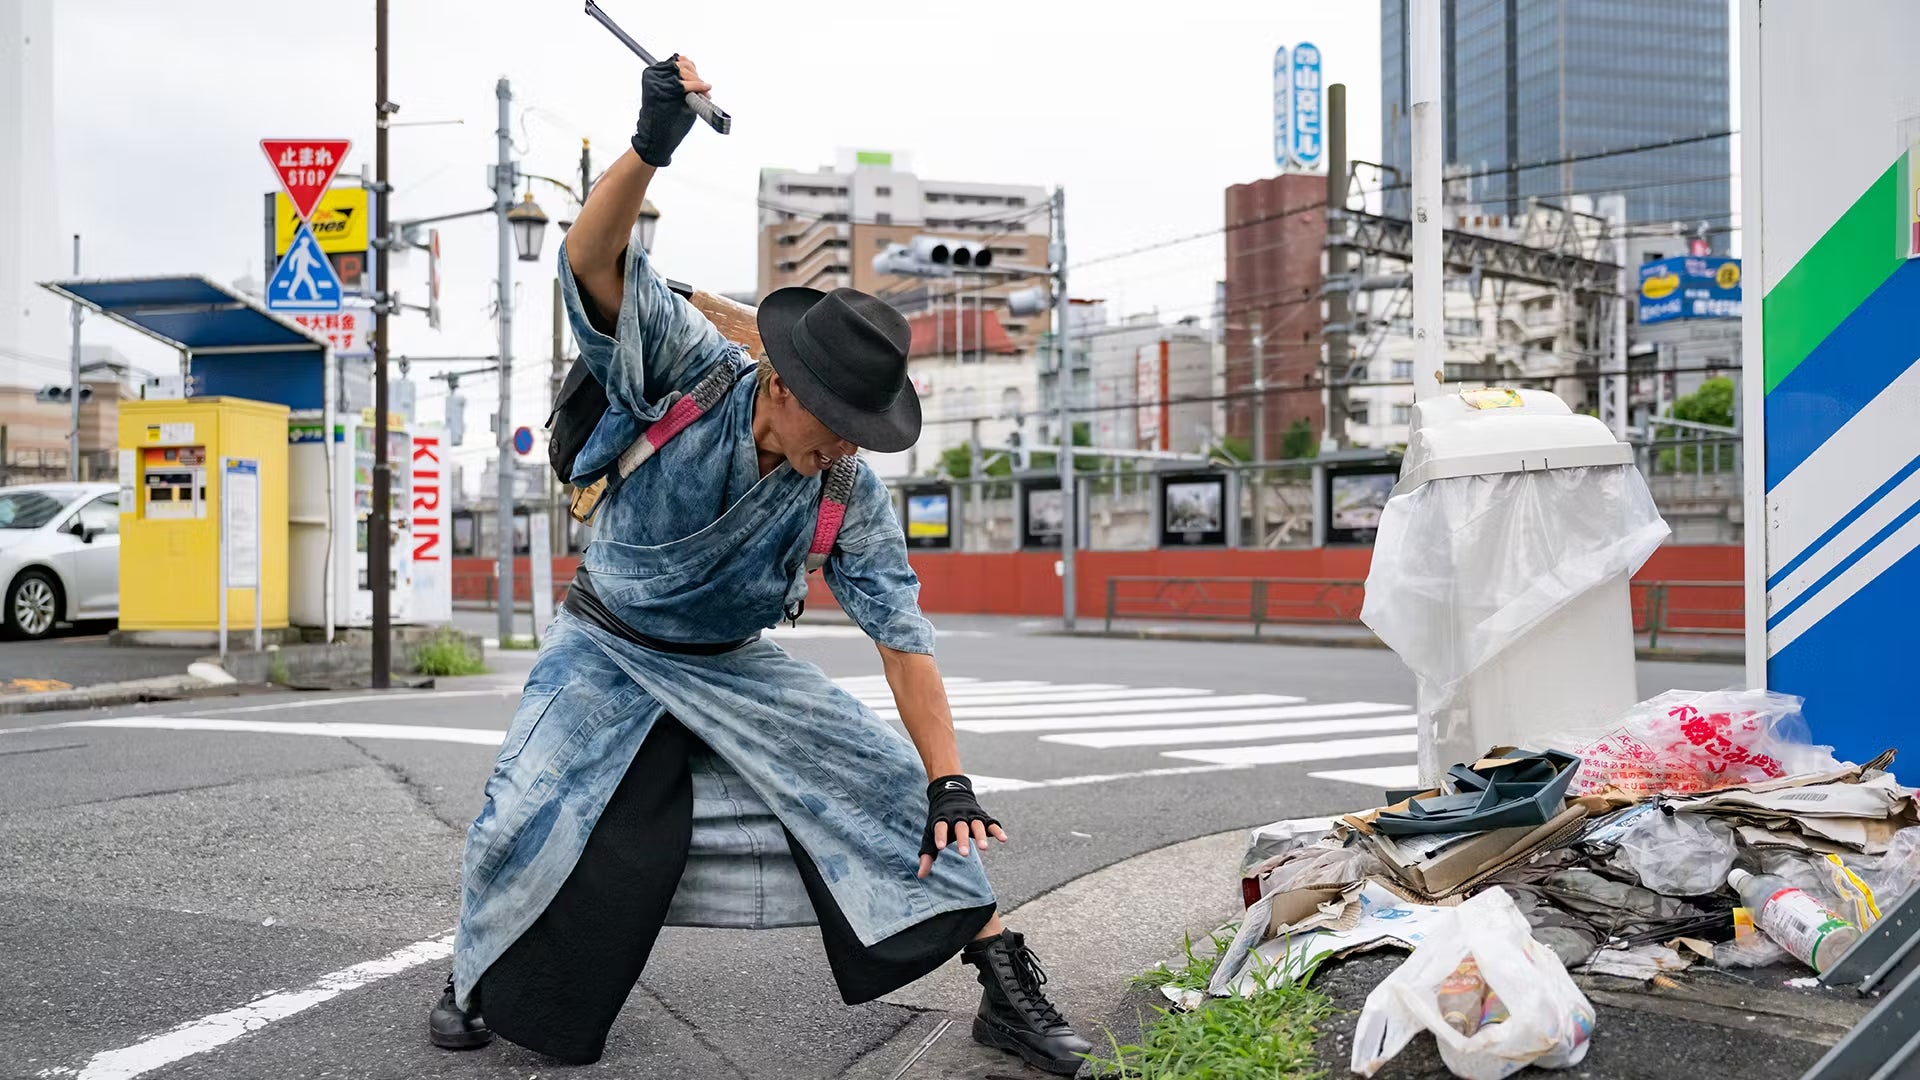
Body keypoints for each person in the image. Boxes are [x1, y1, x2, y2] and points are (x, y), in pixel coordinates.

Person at [427, 54, 1092, 1076]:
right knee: (526, 802)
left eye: (863, 428)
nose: (849, 444)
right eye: (838, 421)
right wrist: (650, 146)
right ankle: (472, 975)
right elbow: (592, 258)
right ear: (779, 384)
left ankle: (1004, 988)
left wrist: (950, 779)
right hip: (607, 641)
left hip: (730, 661)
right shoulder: (686, 371)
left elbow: (902, 639)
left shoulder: (845, 490)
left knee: (893, 786)